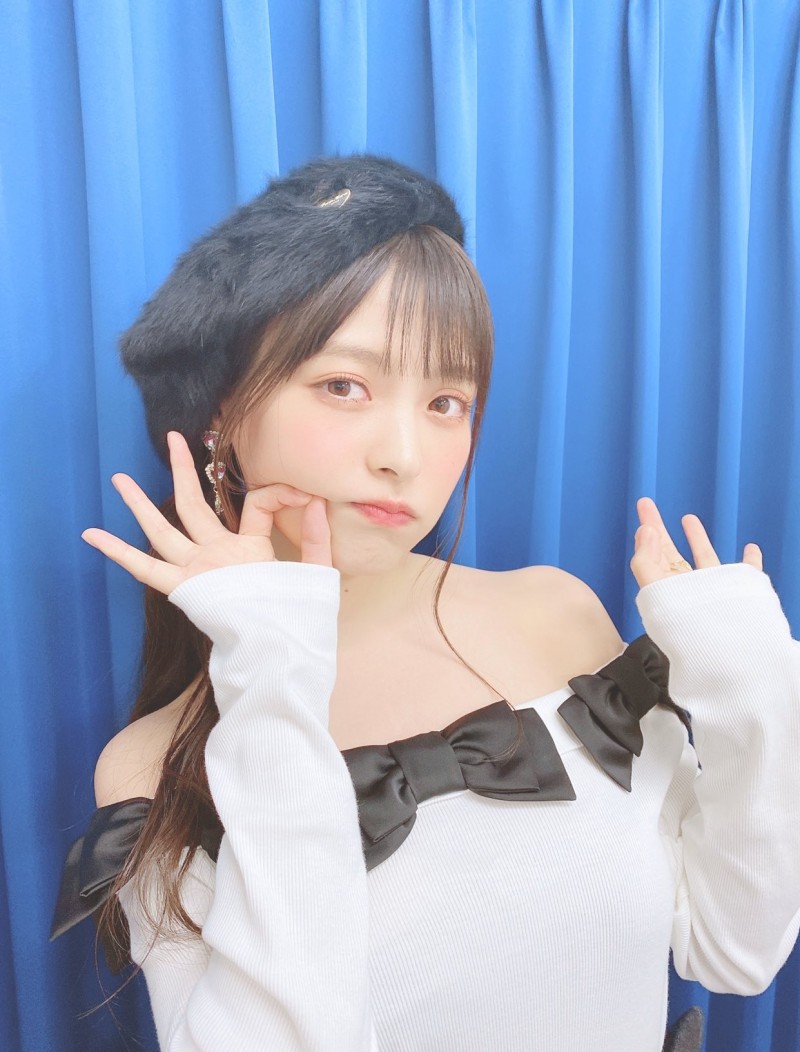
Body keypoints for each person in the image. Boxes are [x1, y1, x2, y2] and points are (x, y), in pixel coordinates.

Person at [51, 153, 800, 1052]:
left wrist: (757, 688)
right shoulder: (153, 763)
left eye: (447, 401)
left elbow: (733, 947)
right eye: (344, 386)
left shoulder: (553, 616)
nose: (403, 456)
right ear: (219, 417)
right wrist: (269, 674)